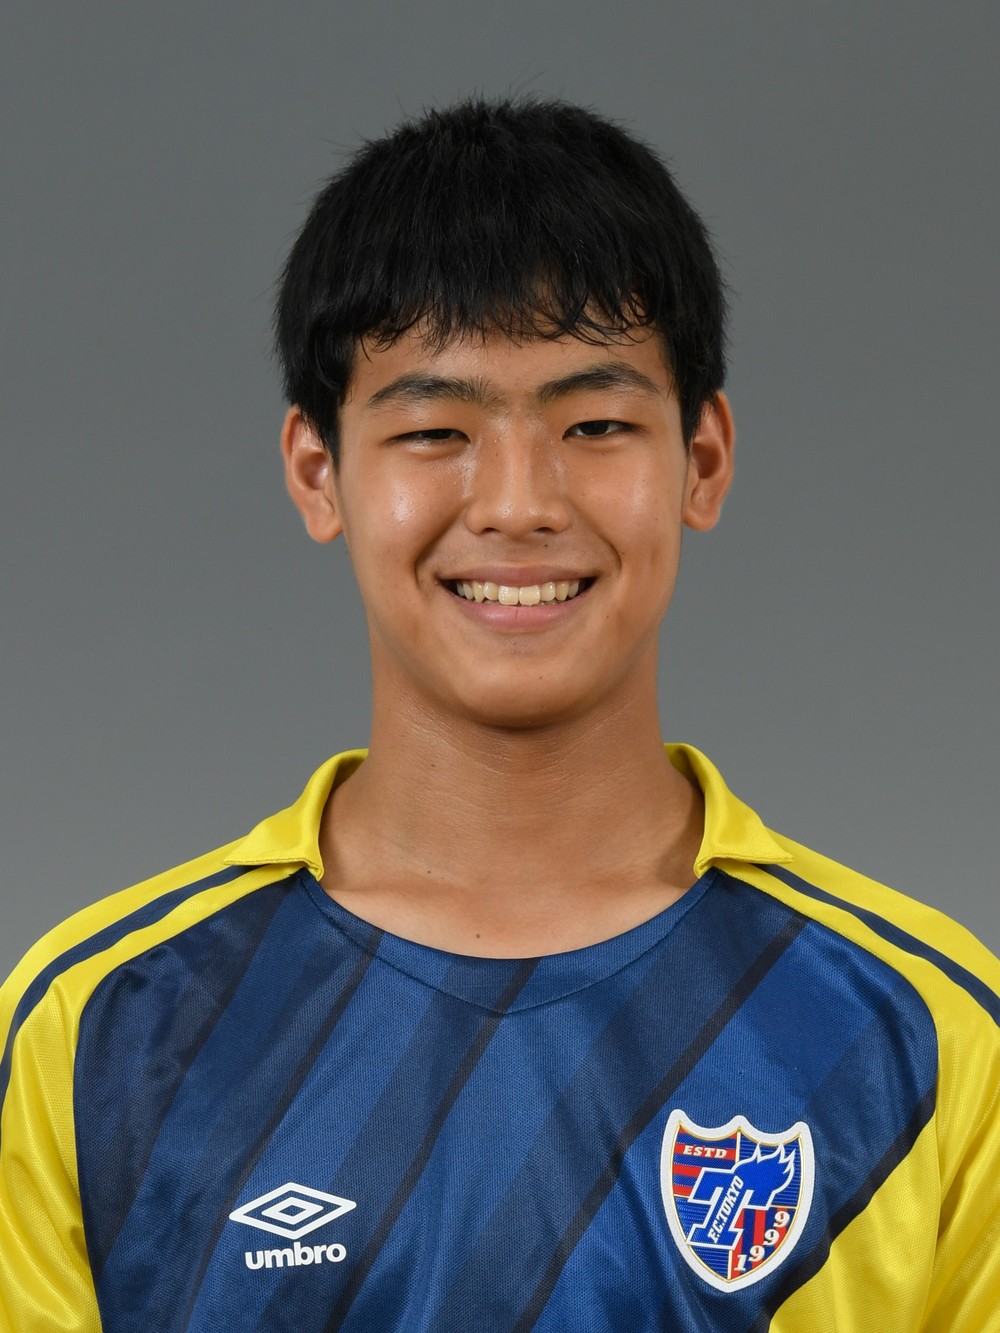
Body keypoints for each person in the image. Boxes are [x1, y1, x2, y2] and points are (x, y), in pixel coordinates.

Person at [1, 97, 997, 1333]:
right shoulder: (97, 1032)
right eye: (434, 430)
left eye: (595, 424)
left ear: (702, 459)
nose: (519, 503)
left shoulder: (923, 1032)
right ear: (319, 473)